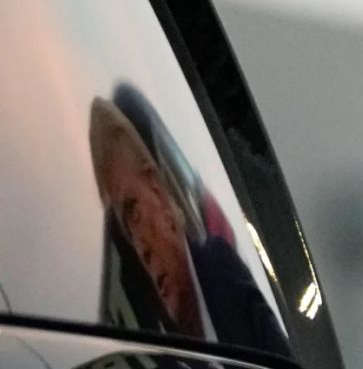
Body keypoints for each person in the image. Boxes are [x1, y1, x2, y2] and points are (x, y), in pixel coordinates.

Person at [88, 92, 291, 356]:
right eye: (128, 233)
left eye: (133, 212)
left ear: (157, 191)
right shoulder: (160, 349)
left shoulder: (220, 272)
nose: (140, 249)